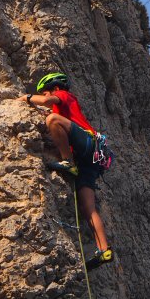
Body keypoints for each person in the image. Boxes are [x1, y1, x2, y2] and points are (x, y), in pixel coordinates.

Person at [19, 72, 113, 270]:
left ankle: (67, 162)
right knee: (88, 208)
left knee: (52, 120)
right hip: (91, 160)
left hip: (88, 144)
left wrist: (26, 98)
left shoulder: (64, 95)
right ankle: (104, 250)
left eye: (46, 91)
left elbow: (47, 102)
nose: (46, 95)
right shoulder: (66, 110)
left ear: (54, 88)